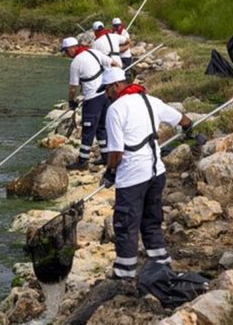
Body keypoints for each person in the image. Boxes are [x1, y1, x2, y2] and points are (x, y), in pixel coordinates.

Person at [98, 67, 193, 280]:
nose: (106, 95)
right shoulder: (151, 100)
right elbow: (184, 120)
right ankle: (161, 265)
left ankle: (125, 273)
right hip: (156, 173)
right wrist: (189, 131)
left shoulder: (116, 109)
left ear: (116, 86)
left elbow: (116, 152)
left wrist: (110, 172)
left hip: (132, 176)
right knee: (151, 221)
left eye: (107, 89)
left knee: (126, 224)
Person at [61, 36, 121, 170]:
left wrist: (71, 101)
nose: (65, 54)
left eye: (66, 51)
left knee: (88, 130)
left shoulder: (76, 63)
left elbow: (73, 87)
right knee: (102, 127)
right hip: (105, 95)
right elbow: (116, 64)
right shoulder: (94, 52)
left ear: (72, 48)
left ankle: (83, 161)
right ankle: (106, 157)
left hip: (92, 98)